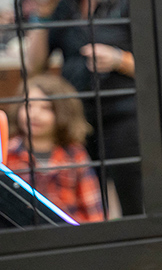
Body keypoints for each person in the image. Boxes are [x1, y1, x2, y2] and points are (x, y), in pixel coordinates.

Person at [24, 0, 140, 216]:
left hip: (124, 113)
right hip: (77, 116)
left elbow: (158, 63)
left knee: (134, 196)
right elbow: (34, 63)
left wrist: (118, 59)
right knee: (85, 200)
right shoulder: (65, 2)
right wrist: (43, 12)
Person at [8, 74, 104, 224]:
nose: (34, 114)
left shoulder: (75, 154)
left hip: (70, 237)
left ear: (62, 114)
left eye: (46, 108)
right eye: (28, 105)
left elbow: (93, 210)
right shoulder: (7, 153)